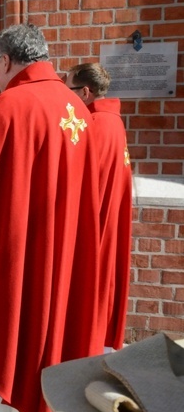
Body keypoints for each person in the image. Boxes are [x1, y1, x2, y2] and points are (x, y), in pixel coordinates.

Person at [0, 24, 104, 412]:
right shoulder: (78, 108)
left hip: (20, 257)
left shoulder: (11, 105)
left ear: (7, 60)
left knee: (11, 330)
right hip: (61, 251)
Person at [65, 62, 133, 352]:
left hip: (95, 226)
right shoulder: (112, 120)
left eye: (68, 89)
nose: (65, 96)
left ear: (85, 92)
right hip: (106, 221)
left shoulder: (96, 125)